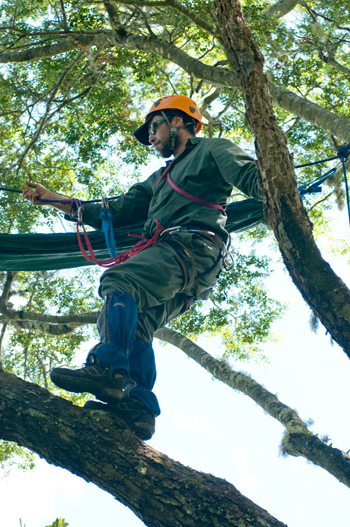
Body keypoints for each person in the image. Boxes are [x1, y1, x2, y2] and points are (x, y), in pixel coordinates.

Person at [22, 95, 262, 441]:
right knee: (136, 324)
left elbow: (252, 177)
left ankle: (107, 368)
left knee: (121, 279)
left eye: (154, 128)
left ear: (177, 121)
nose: (151, 137)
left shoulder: (212, 149)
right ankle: (136, 408)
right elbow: (116, 210)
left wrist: (274, 175)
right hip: (184, 263)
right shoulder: (159, 179)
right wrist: (56, 200)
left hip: (192, 247)